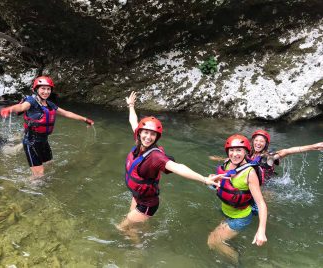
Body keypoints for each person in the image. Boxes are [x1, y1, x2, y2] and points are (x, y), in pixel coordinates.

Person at [116, 91, 224, 235]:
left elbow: (177, 167)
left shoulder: (155, 157)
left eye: (152, 134)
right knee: (134, 228)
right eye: (145, 133)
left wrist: (204, 179)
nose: (148, 137)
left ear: (157, 136)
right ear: (140, 133)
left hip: (147, 204)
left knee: (122, 228)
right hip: (138, 196)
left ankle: (138, 250)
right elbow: (133, 121)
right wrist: (130, 105)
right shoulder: (139, 142)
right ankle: (140, 243)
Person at [0, 76, 94, 178]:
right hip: (31, 142)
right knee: (39, 175)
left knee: (50, 165)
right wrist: (10, 109)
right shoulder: (31, 101)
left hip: (44, 141)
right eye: (43, 88)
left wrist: (85, 119)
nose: (46, 91)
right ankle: (30, 190)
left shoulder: (50, 105)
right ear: (36, 89)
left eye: (48, 89)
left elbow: (66, 113)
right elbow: (21, 107)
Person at [207, 134, 267, 264]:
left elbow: (261, 203)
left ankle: (237, 261)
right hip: (226, 210)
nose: (235, 154)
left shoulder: (249, 173)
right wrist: (213, 179)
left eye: (239, 150)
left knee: (212, 242)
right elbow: (223, 182)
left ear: (246, 151)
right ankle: (233, 248)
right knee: (217, 240)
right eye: (231, 150)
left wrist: (261, 231)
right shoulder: (226, 164)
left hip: (240, 217)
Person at [210, 129, 323, 181]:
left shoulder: (269, 157)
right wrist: (218, 158)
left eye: (262, 141)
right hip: (249, 180)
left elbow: (289, 151)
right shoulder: (246, 153)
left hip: (267, 184)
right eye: (256, 140)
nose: (258, 143)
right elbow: (235, 159)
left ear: (266, 144)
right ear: (252, 141)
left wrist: (314, 146)